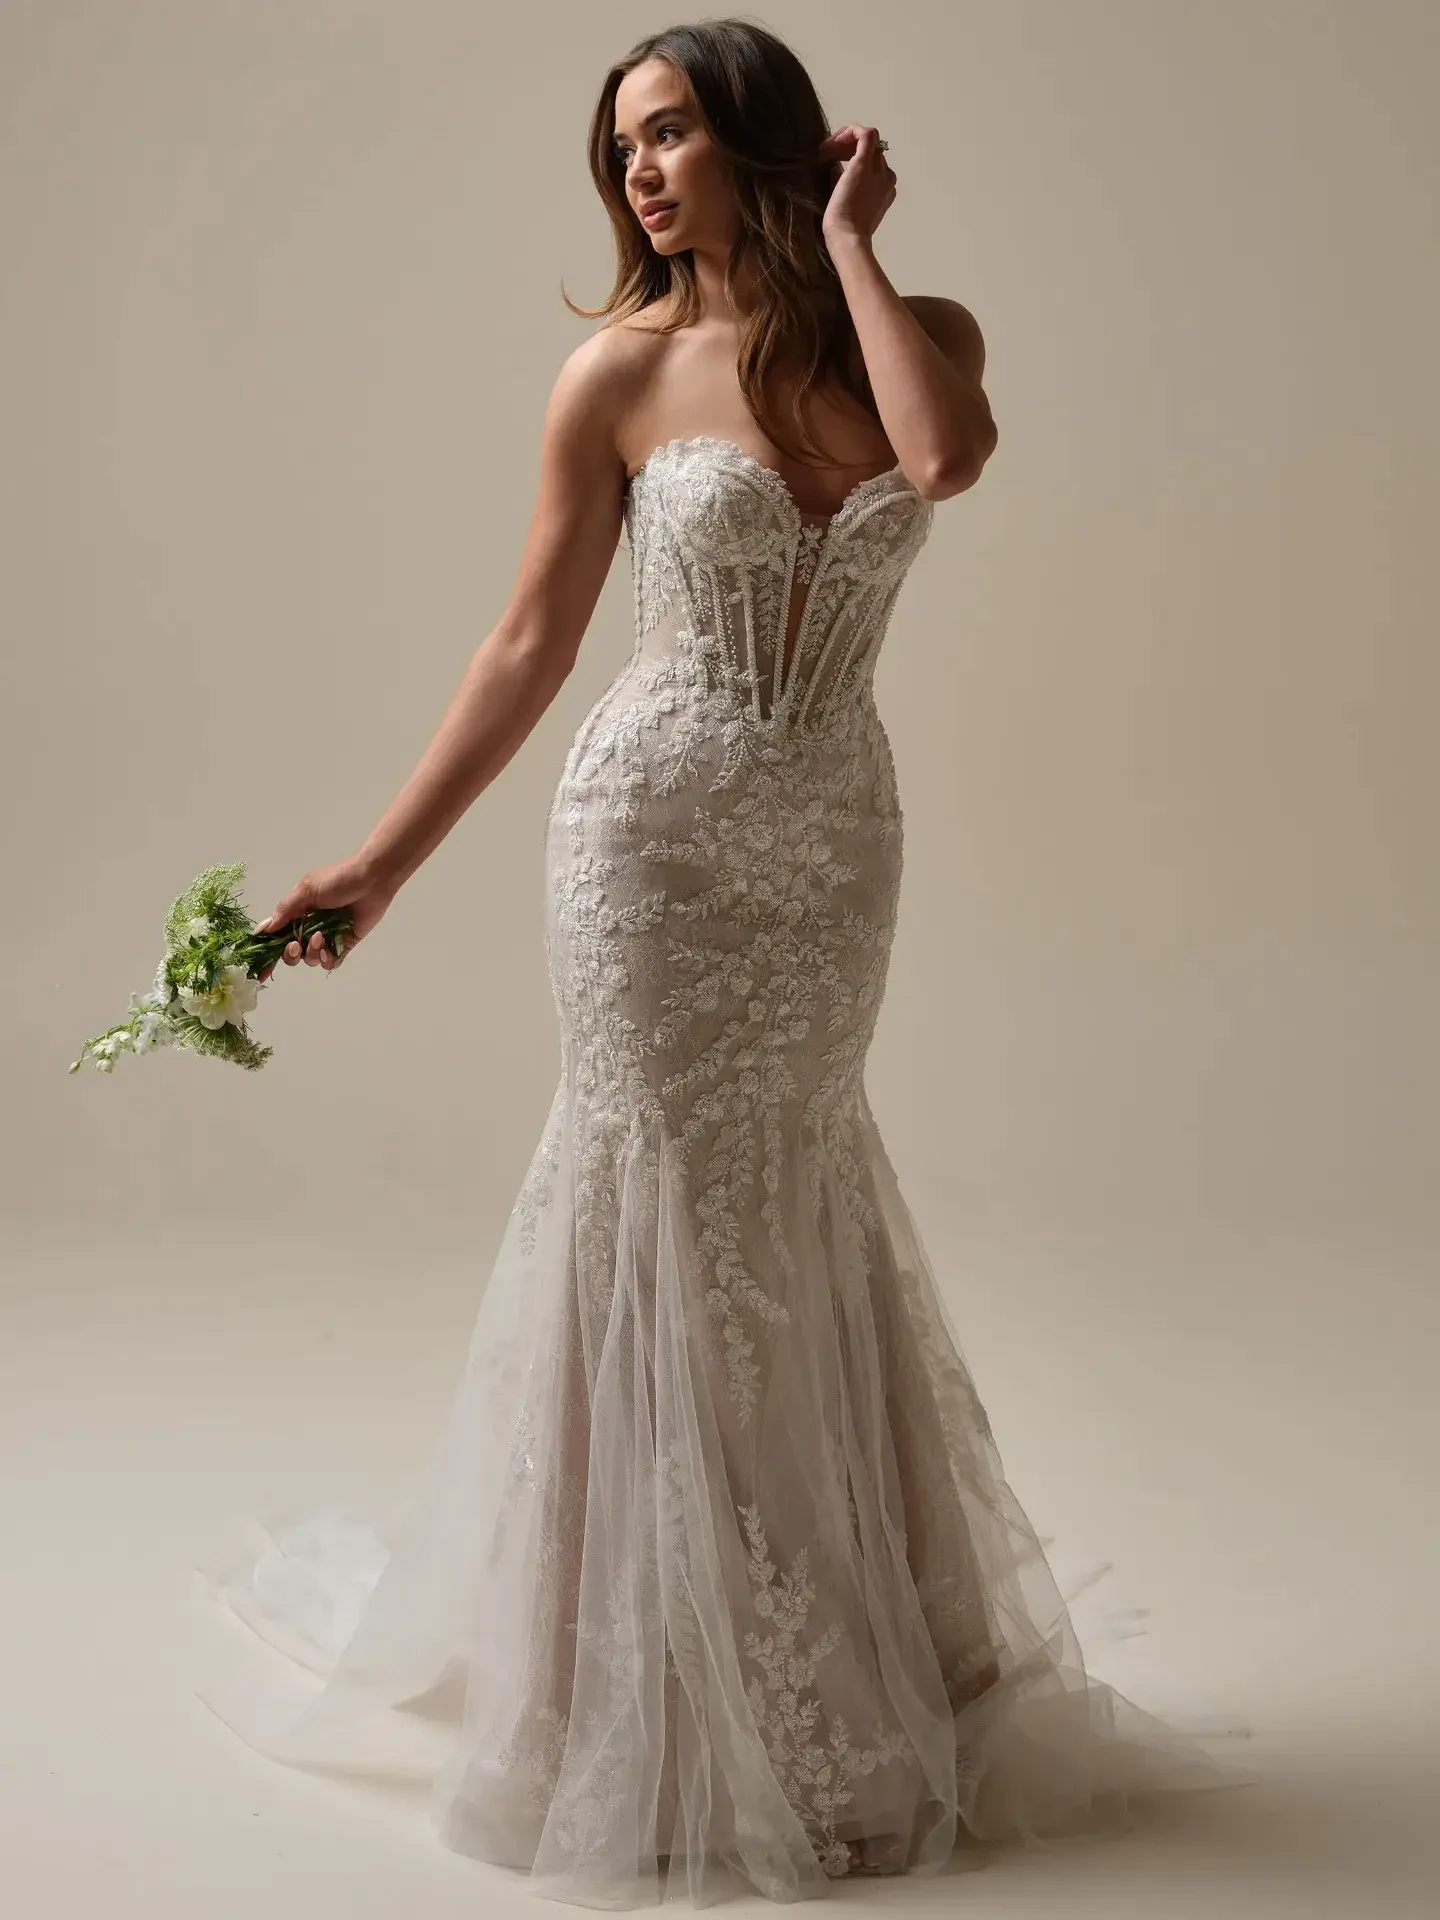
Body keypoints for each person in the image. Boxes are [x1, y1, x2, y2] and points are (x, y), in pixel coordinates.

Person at [197, 18, 1256, 1908]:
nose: (641, 174)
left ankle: (846, 1655)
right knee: (660, 1195)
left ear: (761, 138)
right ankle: (645, 1683)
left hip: (833, 844)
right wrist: (376, 865)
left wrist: (850, 245)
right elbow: (524, 648)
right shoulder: (611, 376)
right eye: (621, 150)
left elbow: (945, 456)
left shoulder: (922, 331)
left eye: (673, 132)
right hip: (649, 848)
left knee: (800, 1190)